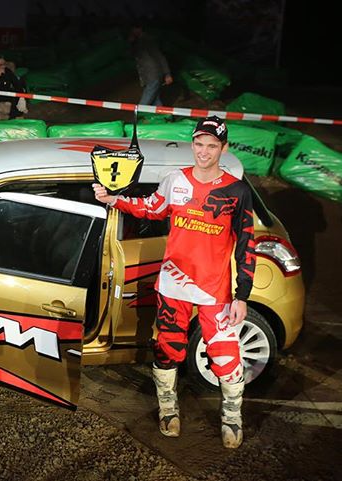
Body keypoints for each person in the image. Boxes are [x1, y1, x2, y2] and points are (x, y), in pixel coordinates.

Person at [93, 116, 256, 449]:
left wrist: (242, 295)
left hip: (215, 291)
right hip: (173, 284)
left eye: (212, 146)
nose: (204, 152)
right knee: (168, 350)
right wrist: (113, 199)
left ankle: (232, 417)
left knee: (226, 357)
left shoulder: (237, 190)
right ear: (192, 144)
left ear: (223, 149)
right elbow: (151, 209)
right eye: (199, 144)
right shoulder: (174, 180)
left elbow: (246, 245)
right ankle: (168, 409)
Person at [129, 25, 173, 107]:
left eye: (134, 29)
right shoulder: (138, 42)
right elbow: (133, 55)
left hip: (153, 75)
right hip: (147, 75)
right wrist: (132, 43)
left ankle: (138, 114)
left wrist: (167, 74)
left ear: (140, 29)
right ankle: (163, 113)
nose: (133, 31)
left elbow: (159, 56)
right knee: (155, 100)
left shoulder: (148, 40)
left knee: (144, 103)